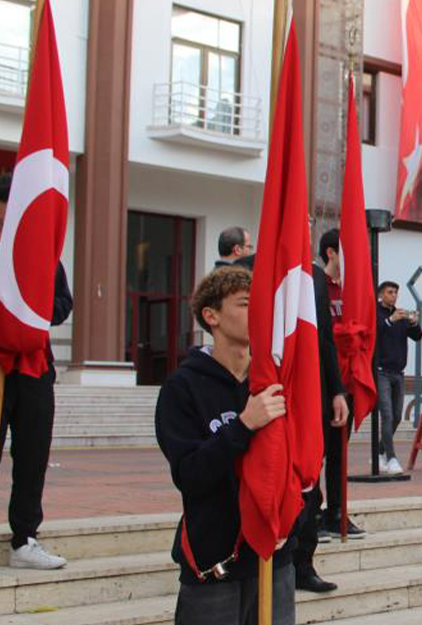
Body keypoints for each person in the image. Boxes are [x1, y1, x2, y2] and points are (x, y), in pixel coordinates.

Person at [155, 267, 296, 625]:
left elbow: (297, 464)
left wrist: (290, 521)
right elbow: (190, 474)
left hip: (272, 557)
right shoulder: (182, 387)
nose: (259, 313)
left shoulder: (273, 382)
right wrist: (244, 425)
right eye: (246, 304)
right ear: (211, 316)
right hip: (215, 561)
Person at [0, 174, 72, 578]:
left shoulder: (41, 254)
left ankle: (25, 538)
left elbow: (62, 305)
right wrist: (1, 278)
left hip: (34, 365)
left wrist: (32, 298)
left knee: (33, 454)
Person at [235, 243, 349, 593]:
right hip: (264, 391)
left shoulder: (313, 276)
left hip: (309, 393)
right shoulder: (249, 268)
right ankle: (256, 556)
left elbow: (324, 340)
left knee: (308, 482)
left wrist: (336, 391)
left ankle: (304, 563)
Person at [312, 229, 363, 542]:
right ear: (331, 252)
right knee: (314, 452)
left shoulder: (354, 289)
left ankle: (337, 512)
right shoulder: (317, 283)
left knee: (338, 452)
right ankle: (312, 513)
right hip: (321, 379)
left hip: (348, 380)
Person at [375, 280, 422, 474]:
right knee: (386, 415)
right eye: (389, 292)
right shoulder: (376, 313)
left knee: (395, 416)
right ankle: (391, 458)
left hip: (398, 373)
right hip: (381, 372)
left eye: (395, 292)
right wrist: (390, 320)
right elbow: (374, 333)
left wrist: (413, 322)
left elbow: (418, 336)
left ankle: (378, 451)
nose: (393, 296)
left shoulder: (400, 315)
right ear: (381, 295)